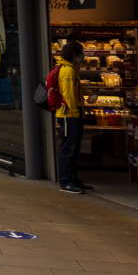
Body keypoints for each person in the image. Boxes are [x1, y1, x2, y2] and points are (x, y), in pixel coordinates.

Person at [55, 39, 86, 194]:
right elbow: (68, 96)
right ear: (74, 55)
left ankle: (73, 179)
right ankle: (66, 181)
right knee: (68, 148)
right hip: (69, 115)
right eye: (81, 54)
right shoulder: (67, 71)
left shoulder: (71, 69)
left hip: (73, 114)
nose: (83, 57)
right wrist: (75, 113)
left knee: (73, 148)